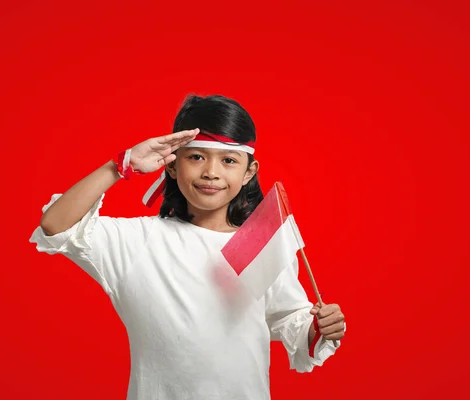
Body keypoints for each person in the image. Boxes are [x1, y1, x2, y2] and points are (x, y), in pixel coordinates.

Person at [29, 94, 346, 399]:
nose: (211, 172)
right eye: (196, 157)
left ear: (249, 172)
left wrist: (320, 326)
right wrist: (119, 166)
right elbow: (57, 225)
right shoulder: (138, 242)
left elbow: (291, 322)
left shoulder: (263, 243)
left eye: (229, 160)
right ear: (171, 165)